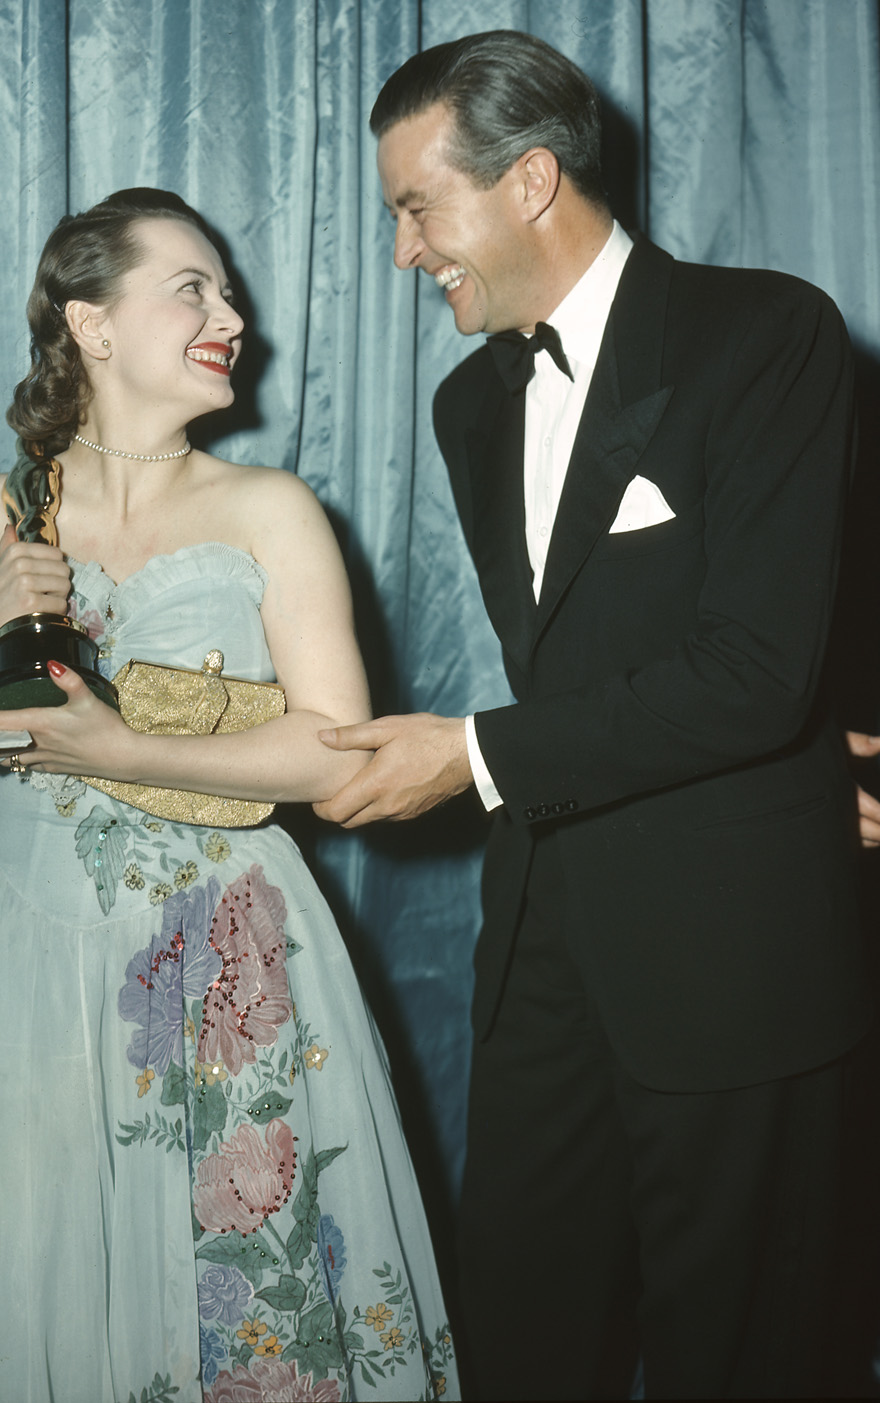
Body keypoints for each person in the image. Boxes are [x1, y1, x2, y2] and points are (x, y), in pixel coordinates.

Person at [0, 188, 457, 1403]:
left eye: (230, 292)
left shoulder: (273, 512)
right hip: (10, 959)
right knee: (13, 1282)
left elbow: (336, 752)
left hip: (228, 949)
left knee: (229, 1302)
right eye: (192, 288)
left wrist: (121, 746)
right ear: (90, 322)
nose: (233, 316)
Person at [315, 31, 870, 1400]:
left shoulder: (768, 332)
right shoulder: (465, 404)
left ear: (531, 181)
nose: (402, 252)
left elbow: (755, 664)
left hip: (738, 960)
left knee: (746, 1359)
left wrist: (472, 753)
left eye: (415, 208)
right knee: (522, 1338)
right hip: (545, 954)